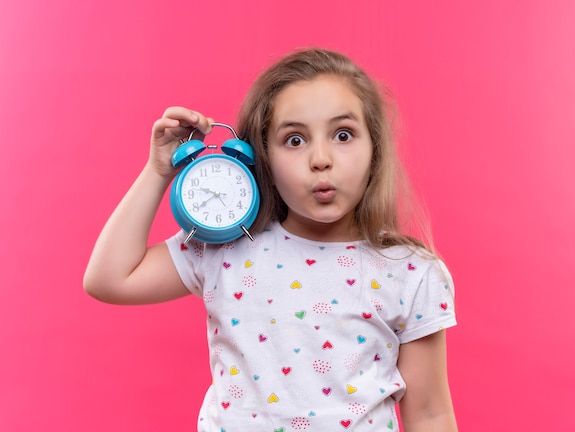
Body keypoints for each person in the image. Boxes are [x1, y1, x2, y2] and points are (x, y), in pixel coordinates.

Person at [84, 48, 458, 432]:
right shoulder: (226, 248)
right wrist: (158, 170)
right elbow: (109, 278)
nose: (321, 159)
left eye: (343, 135)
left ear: (374, 148)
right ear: (263, 157)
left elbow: (429, 414)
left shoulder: (410, 271)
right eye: (294, 140)